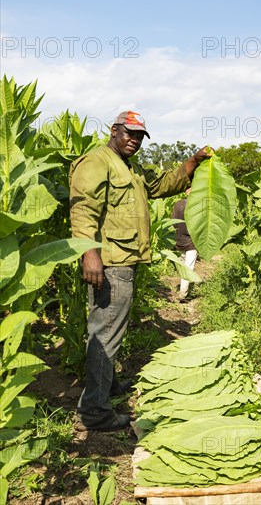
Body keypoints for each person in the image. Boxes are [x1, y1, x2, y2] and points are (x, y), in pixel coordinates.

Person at [69, 110, 211, 431]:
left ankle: (108, 386)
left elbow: (163, 184)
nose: (134, 140)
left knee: (110, 330)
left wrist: (192, 162)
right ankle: (94, 413)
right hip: (109, 262)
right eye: (129, 133)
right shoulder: (97, 162)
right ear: (114, 130)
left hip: (124, 261)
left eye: (139, 136)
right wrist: (89, 253)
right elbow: (83, 208)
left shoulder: (129, 168)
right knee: (105, 333)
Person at [171, 188, 198, 301]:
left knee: (183, 265)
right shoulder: (197, 206)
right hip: (192, 242)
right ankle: (183, 294)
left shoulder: (178, 204)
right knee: (188, 268)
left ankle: (182, 288)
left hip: (179, 240)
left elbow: (172, 222)